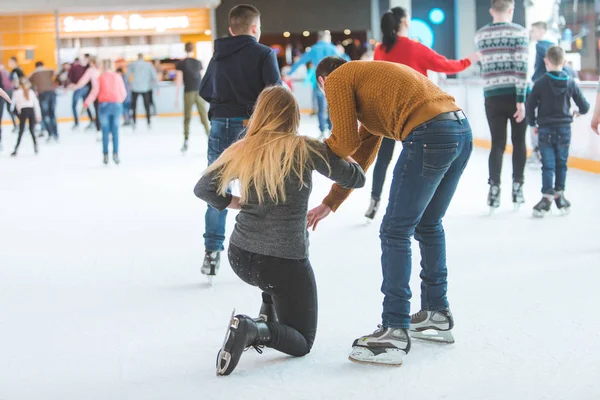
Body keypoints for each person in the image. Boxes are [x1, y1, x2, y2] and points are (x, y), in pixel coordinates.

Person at [307, 57, 472, 366]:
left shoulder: (339, 78)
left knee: (395, 230)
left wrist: (305, 150)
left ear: (323, 81)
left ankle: (394, 329)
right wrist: (330, 203)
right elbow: (360, 155)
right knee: (428, 224)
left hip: (429, 133)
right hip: (460, 130)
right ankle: (437, 312)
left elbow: (342, 142)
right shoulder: (369, 94)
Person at [193, 86, 365, 376]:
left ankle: (266, 313)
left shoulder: (243, 148)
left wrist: (236, 203)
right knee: (302, 342)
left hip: (241, 257)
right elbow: (356, 179)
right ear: (293, 116)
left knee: (273, 277)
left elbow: (204, 188)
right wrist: (340, 152)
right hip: (282, 263)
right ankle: (254, 329)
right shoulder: (306, 148)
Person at [364, 6, 481, 220]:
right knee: (415, 160)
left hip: (387, 114)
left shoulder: (381, 49)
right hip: (414, 116)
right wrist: (469, 60)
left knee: (383, 159)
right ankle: (417, 204)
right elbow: (446, 65)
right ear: (406, 22)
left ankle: (374, 200)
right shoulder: (415, 48)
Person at [198, 4, 281, 280]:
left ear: (232, 29)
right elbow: (276, 95)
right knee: (258, 187)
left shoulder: (219, 55)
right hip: (252, 128)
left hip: (220, 126)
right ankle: (259, 251)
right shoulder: (264, 53)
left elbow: (205, 90)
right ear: (255, 28)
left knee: (217, 186)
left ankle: (212, 252)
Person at [475, 0, 529, 212]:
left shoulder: (480, 35)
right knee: (519, 142)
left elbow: (485, 67)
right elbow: (522, 67)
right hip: (515, 95)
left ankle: (494, 190)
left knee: (497, 144)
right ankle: (517, 188)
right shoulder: (520, 32)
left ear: (491, 11)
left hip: (492, 96)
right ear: (511, 9)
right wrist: (521, 100)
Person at [526, 46, 589, 217]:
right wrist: (579, 112)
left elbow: (530, 104)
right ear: (565, 62)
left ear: (546, 61)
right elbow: (585, 105)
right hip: (564, 130)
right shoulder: (570, 82)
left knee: (548, 164)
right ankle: (560, 195)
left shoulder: (540, 83)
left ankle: (546, 197)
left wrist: (532, 124)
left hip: (545, 130)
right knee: (561, 163)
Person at [289, 31, 339, 138]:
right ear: (326, 37)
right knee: (332, 106)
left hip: (319, 80)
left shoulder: (314, 49)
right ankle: (331, 129)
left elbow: (301, 61)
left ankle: (322, 130)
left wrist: (289, 73)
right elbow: (345, 61)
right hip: (332, 80)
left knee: (320, 106)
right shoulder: (333, 49)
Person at [85, 60, 127, 165]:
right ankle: (116, 154)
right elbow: (123, 93)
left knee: (105, 131)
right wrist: (118, 101)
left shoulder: (100, 77)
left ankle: (105, 155)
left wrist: (87, 102)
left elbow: (95, 91)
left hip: (103, 105)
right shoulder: (118, 76)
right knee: (115, 131)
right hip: (116, 104)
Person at [175, 42, 210, 153]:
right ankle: (210, 138)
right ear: (193, 49)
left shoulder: (181, 63)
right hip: (199, 92)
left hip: (188, 92)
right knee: (204, 116)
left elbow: (179, 80)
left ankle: (186, 140)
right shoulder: (198, 62)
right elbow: (202, 78)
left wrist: (176, 97)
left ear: (185, 49)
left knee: (187, 117)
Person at [10, 78, 41, 156]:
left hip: (23, 112)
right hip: (31, 111)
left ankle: (16, 149)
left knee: (21, 131)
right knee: (32, 130)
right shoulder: (31, 92)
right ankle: (36, 147)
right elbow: (36, 104)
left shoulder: (16, 92)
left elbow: (15, 105)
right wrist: (38, 115)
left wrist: (19, 114)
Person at [72, 58, 101, 138]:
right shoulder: (101, 69)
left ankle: (99, 131)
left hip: (98, 95)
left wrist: (76, 86)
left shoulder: (91, 70)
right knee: (103, 113)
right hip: (106, 95)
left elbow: (84, 80)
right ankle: (105, 131)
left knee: (98, 112)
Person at [29, 61, 59, 141]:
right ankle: (56, 134)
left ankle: (51, 134)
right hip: (52, 93)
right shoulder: (49, 70)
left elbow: (30, 85)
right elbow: (58, 76)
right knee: (52, 114)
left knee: (45, 115)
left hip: (43, 94)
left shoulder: (34, 73)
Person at [127, 54, 157, 129]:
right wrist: (154, 86)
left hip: (135, 87)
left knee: (134, 106)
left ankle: (134, 121)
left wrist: (129, 84)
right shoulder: (148, 65)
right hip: (145, 87)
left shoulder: (133, 64)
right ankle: (148, 122)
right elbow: (154, 76)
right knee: (147, 106)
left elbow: (127, 75)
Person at [68, 58, 95, 130]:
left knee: (74, 106)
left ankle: (76, 123)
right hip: (85, 87)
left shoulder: (72, 68)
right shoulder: (84, 67)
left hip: (78, 87)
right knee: (86, 104)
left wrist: (73, 86)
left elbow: (69, 78)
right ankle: (92, 121)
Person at [0, 64, 19, 135]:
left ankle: (16, 124)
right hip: (8, 91)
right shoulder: (7, 72)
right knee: (9, 109)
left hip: (7, 91)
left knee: (8, 109)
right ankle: (16, 124)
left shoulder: (6, 73)